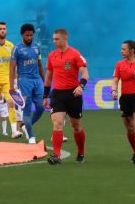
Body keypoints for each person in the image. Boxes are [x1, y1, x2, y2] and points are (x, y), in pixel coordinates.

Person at [44, 29, 89, 164]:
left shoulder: (75, 54)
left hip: (73, 94)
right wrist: (45, 95)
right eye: (53, 39)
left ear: (65, 39)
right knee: (57, 123)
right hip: (57, 94)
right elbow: (48, 77)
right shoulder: (52, 56)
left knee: (76, 125)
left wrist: (80, 86)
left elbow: (85, 73)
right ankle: (56, 156)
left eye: (57, 39)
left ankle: (81, 152)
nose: (54, 41)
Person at [9, 23, 46, 144]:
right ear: (22, 35)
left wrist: (45, 81)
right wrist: (11, 86)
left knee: (41, 107)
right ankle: (31, 137)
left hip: (37, 80)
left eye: (31, 35)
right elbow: (12, 68)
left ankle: (25, 126)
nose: (29, 37)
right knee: (27, 109)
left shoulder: (36, 47)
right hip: (24, 81)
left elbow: (39, 65)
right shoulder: (17, 49)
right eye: (27, 35)